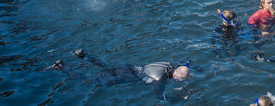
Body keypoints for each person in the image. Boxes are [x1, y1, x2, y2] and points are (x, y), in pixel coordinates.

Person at [50, 49, 189, 100]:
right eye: (180, 80)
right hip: (125, 77)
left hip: (129, 67)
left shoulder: (169, 64)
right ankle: (61, 67)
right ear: (176, 77)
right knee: (89, 82)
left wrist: (192, 66)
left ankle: (84, 56)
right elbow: (160, 97)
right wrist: (181, 99)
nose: (179, 81)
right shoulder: (160, 80)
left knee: (106, 67)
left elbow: (182, 65)